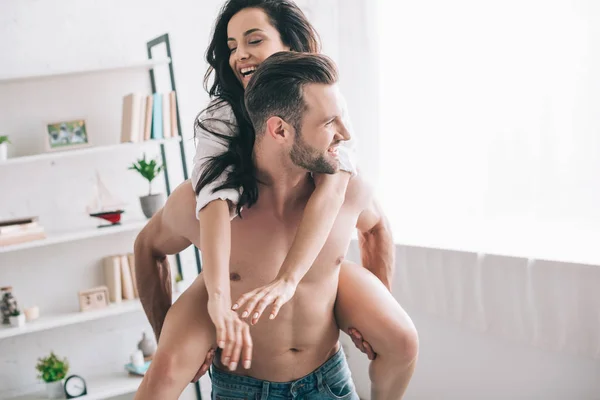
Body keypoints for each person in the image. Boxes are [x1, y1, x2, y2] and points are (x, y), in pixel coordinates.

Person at [134, 1, 418, 398]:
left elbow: (364, 212)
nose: (240, 54)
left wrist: (373, 314)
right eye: (232, 45)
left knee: (402, 338)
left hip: (326, 377)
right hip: (242, 381)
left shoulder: (336, 155)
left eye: (254, 40)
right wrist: (180, 327)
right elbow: (204, 204)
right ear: (278, 129)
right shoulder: (218, 132)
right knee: (160, 377)